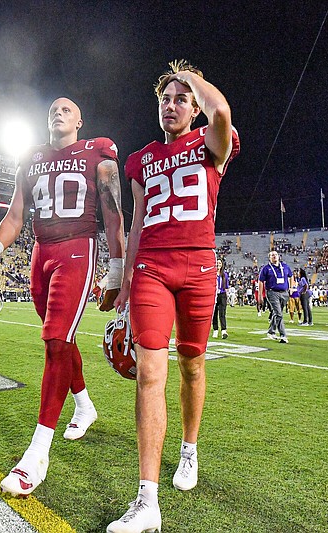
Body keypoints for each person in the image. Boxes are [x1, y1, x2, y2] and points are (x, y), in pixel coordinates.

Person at [110, 59, 239, 533]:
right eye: (165, 98)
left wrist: (189, 78)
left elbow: (221, 111)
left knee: (192, 364)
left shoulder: (211, 143)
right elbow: (139, 220)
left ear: (194, 105)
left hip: (200, 265)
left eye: (181, 98)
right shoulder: (142, 158)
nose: (171, 105)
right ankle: (147, 502)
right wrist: (123, 278)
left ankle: (189, 449)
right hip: (152, 269)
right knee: (149, 371)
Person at [0, 97, 125, 497]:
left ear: (80, 120)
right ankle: (84, 405)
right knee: (61, 340)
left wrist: (116, 268)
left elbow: (112, 211)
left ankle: (37, 455)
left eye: (67, 109)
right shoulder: (32, 157)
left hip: (77, 248)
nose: (58, 112)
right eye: (53, 109)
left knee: (56, 340)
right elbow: (15, 216)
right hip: (40, 253)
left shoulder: (98, 151)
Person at [258, 250, 294, 343]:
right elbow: (261, 281)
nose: (274, 256)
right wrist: (260, 295)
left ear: (279, 256)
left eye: (276, 255)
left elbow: (291, 276)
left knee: (276, 313)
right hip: (272, 292)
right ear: (269, 258)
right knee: (279, 313)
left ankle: (271, 331)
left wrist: (291, 287)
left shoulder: (285, 266)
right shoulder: (266, 268)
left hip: (284, 292)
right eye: (272, 255)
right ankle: (283, 335)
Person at [211, 258, 229, 339]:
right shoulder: (212, 274)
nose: (218, 264)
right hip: (213, 294)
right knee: (214, 313)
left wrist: (227, 296)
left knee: (222, 313)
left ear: (222, 265)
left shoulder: (224, 274)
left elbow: (226, 286)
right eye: (217, 263)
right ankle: (215, 330)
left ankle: (223, 330)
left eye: (219, 263)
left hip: (222, 295)